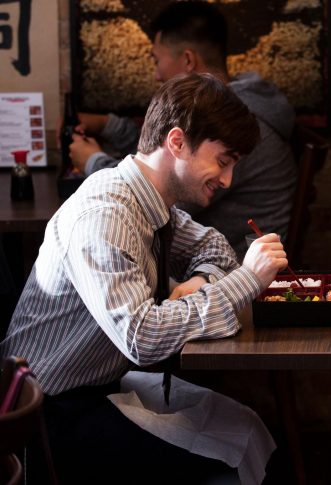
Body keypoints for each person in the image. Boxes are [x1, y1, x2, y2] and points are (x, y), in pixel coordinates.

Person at [0, 72, 288, 483]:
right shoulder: (106, 213)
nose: (227, 180)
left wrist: (203, 282)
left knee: (247, 428)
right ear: (176, 142)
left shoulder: (151, 202)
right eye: (223, 161)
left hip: (101, 389)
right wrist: (247, 281)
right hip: (50, 418)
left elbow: (215, 248)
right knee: (229, 458)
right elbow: (143, 337)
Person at [69, 1, 296, 259]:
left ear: (188, 59)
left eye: (157, 60)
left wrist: (92, 161)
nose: (156, 75)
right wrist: (107, 124)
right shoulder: (233, 108)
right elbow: (158, 147)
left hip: (234, 263)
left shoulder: (238, 126)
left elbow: (157, 195)